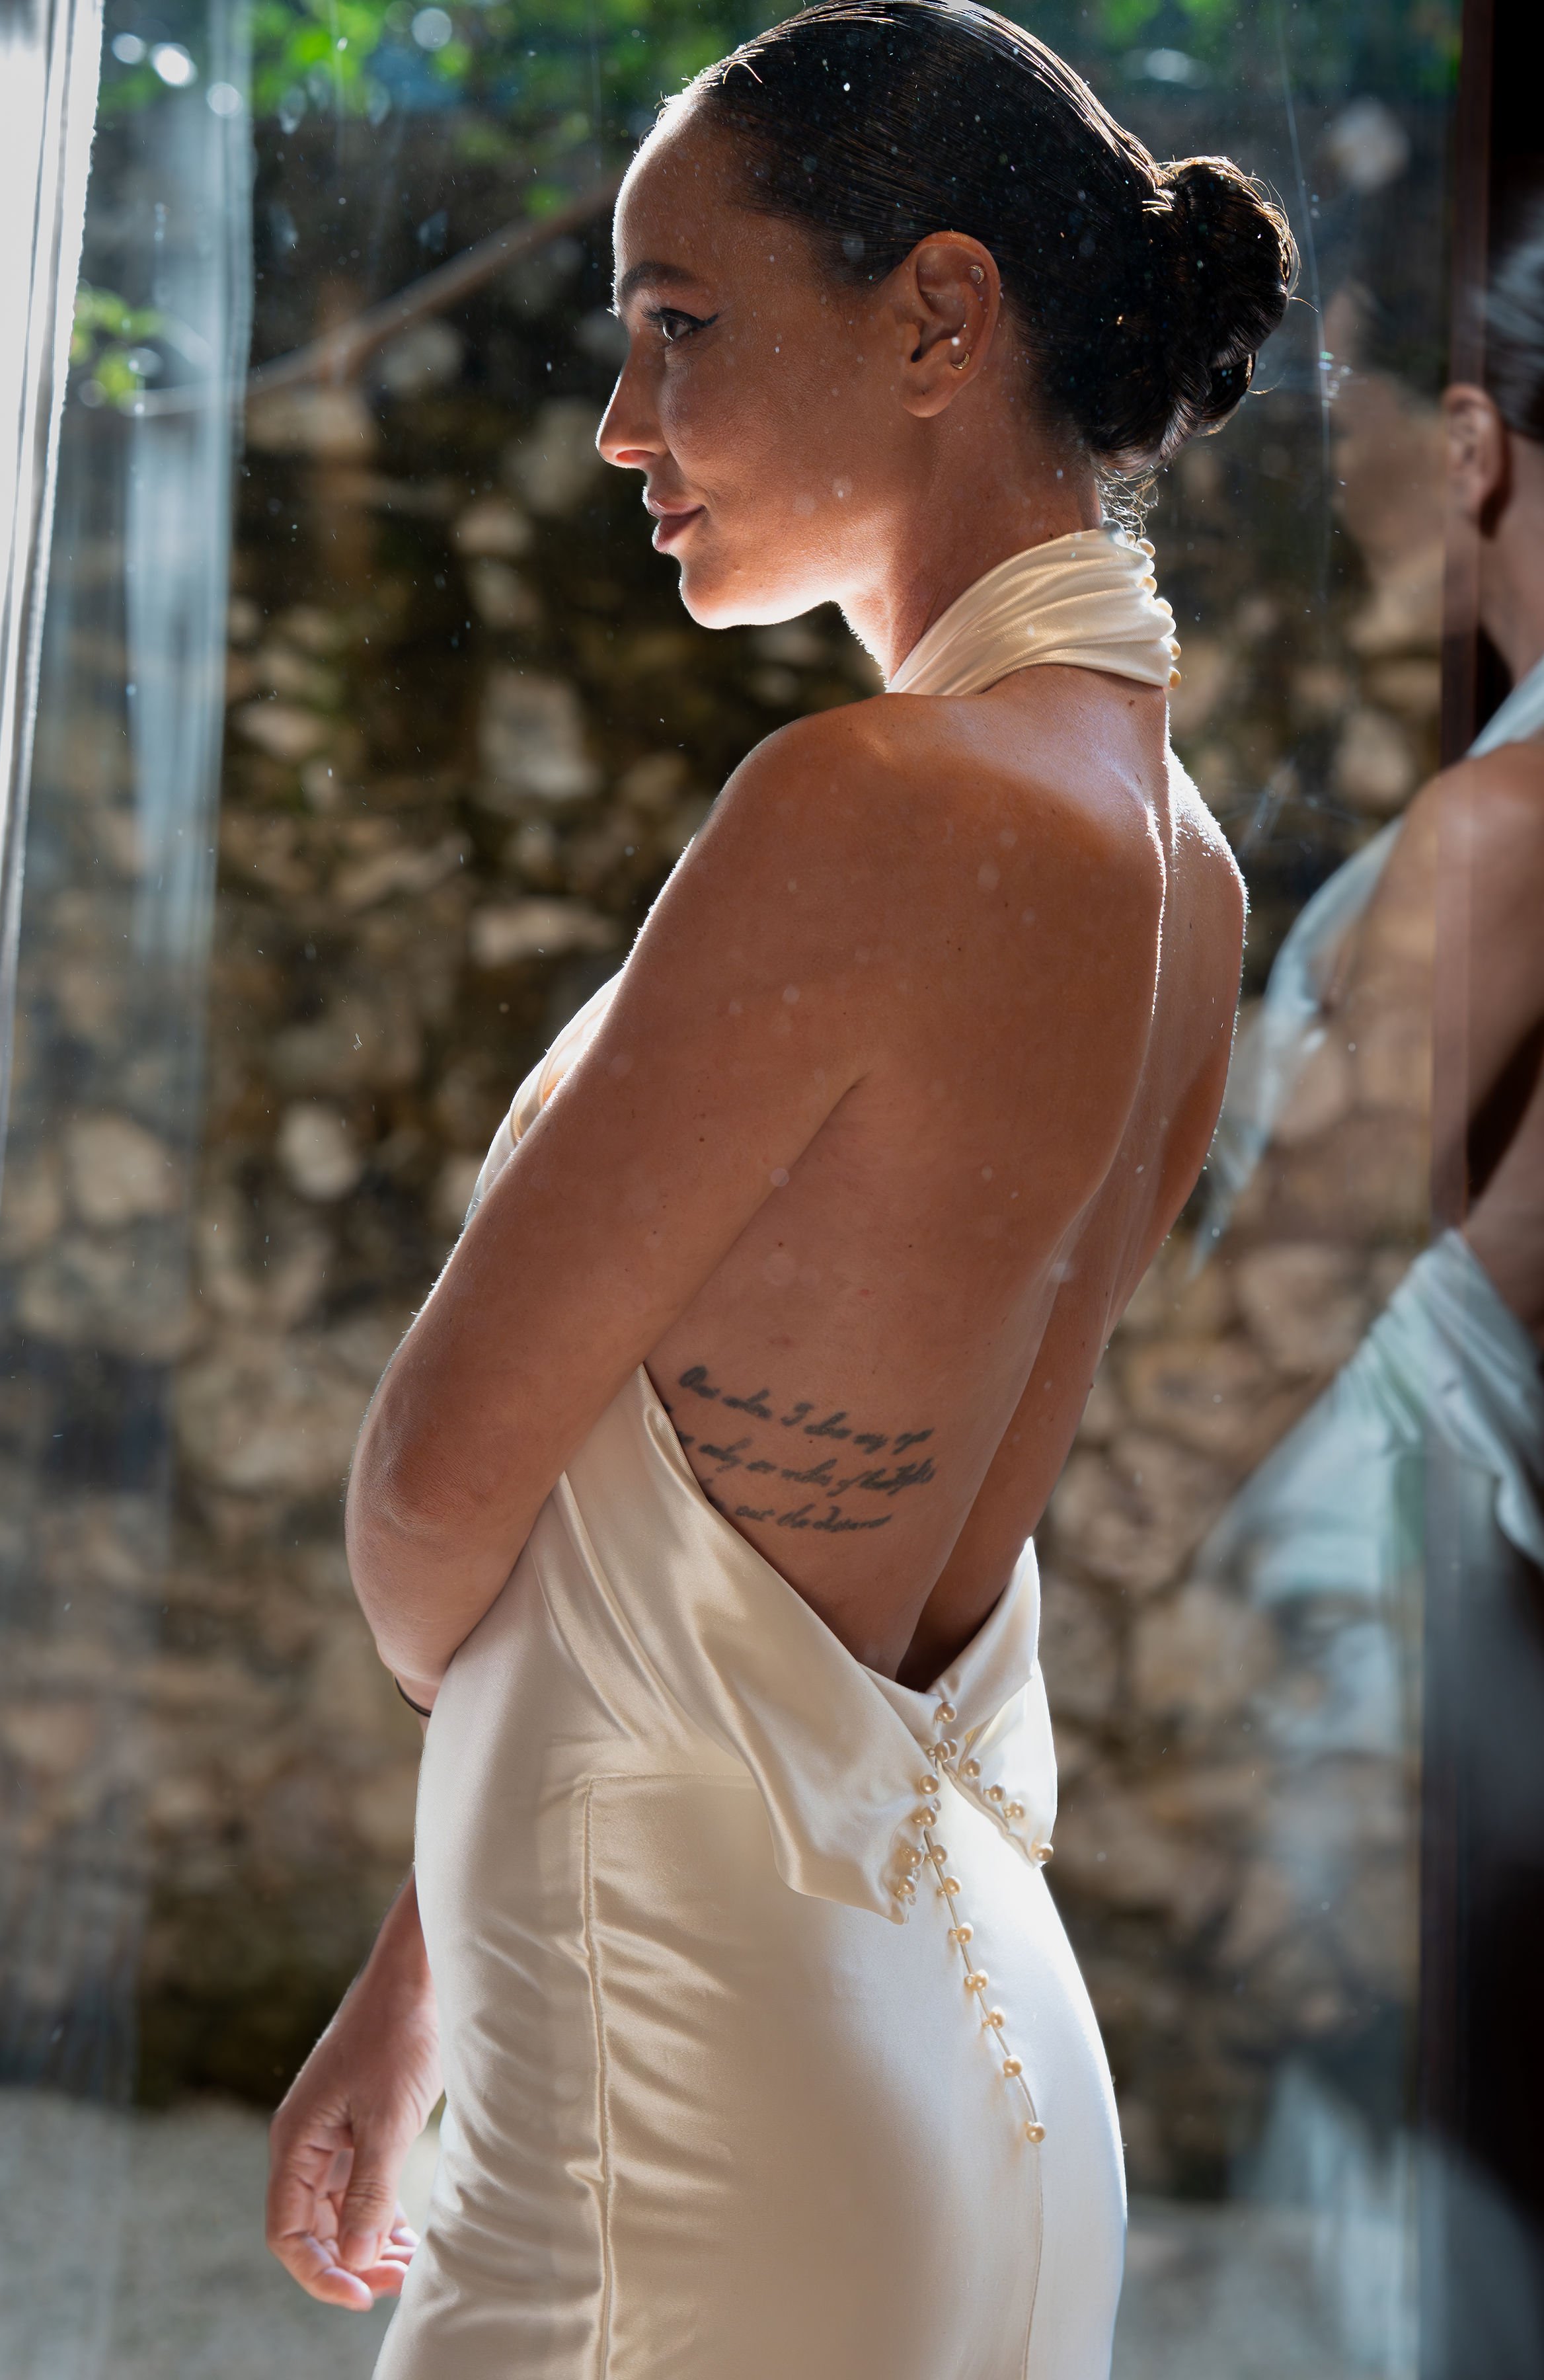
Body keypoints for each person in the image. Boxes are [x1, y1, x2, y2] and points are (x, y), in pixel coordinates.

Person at [264, 7, 1291, 2372]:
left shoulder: (869, 810)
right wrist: (433, 1964)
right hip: (960, 2078)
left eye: (679, 327)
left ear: (939, 318)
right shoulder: (1191, 875)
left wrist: (501, 1780)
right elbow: (824, 1582)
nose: (623, 422)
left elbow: (443, 1498)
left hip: (704, 2122)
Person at [1191, 210, 1544, 2376]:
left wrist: (986, 1597)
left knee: (1400, 2244)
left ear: (1483, 442)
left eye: (1357, 413)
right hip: (1454, 1601)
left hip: (1401, 1605)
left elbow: (1286, 1294)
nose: (1333, 457)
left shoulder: (1505, 839)